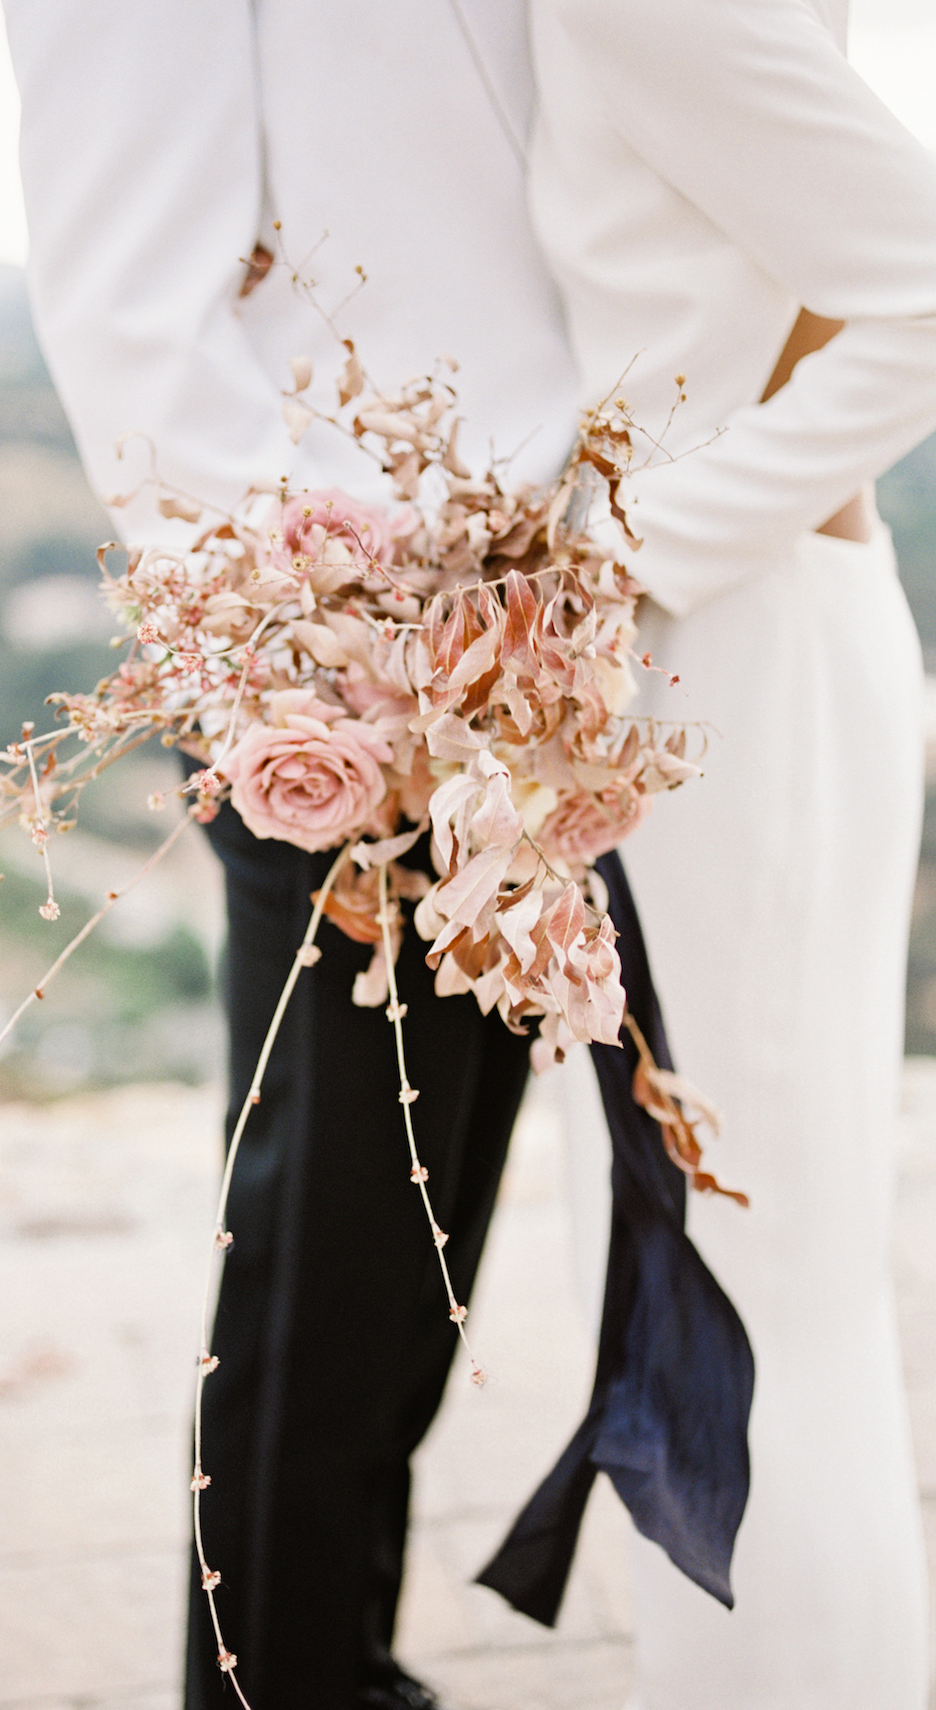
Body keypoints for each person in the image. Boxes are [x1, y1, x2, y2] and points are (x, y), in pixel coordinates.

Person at [0, 6, 582, 1707]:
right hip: (340, 676)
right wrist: (328, 658)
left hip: (531, 649)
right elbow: (134, 310)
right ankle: (286, 1683)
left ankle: (336, 1664)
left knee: (418, 1239)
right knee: (329, 1255)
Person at [518, 0, 936, 1705]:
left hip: (728, 661)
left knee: (745, 1301)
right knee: (748, 1288)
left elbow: (921, 284)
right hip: (747, 641)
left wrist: (620, 560)